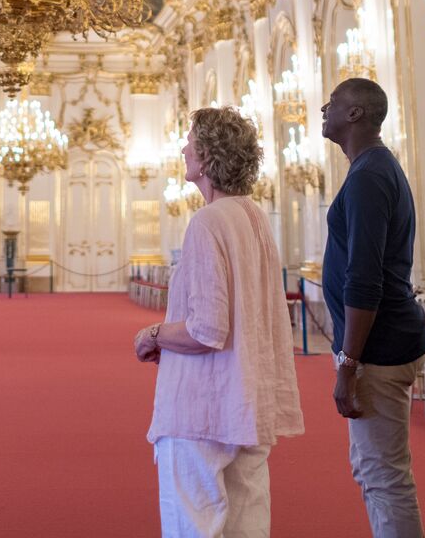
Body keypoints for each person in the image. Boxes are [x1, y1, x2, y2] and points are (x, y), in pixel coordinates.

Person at [137, 105, 303, 538]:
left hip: (202, 408)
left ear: (208, 156)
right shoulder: (254, 217)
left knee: (193, 525)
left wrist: (153, 334)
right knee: (247, 527)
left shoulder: (208, 222)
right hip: (247, 401)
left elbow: (207, 329)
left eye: (190, 140)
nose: (183, 147)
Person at [319, 76, 425, 538]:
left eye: (333, 103)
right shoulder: (372, 168)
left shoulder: (369, 175)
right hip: (386, 339)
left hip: (378, 346)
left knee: (383, 476)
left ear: (355, 114)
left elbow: (363, 279)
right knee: (378, 471)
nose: (322, 109)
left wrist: (348, 363)